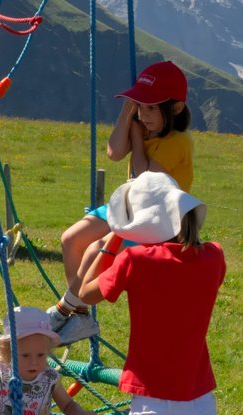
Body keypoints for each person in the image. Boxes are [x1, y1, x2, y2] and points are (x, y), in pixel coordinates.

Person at [77, 171, 225, 415]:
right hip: (201, 409)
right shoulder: (214, 256)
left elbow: (84, 292)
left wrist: (111, 242)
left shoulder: (135, 260)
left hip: (157, 413)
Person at [48, 61, 193, 345]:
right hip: (129, 205)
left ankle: (66, 309)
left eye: (152, 108)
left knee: (94, 252)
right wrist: (127, 114)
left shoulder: (178, 141)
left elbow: (144, 179)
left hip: (155, 219)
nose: (144, 114)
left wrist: (137, 138)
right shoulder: (144, 126)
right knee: (71, 238)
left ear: (175, 109)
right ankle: (80, 314)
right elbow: (114, 152)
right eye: (141, 106)